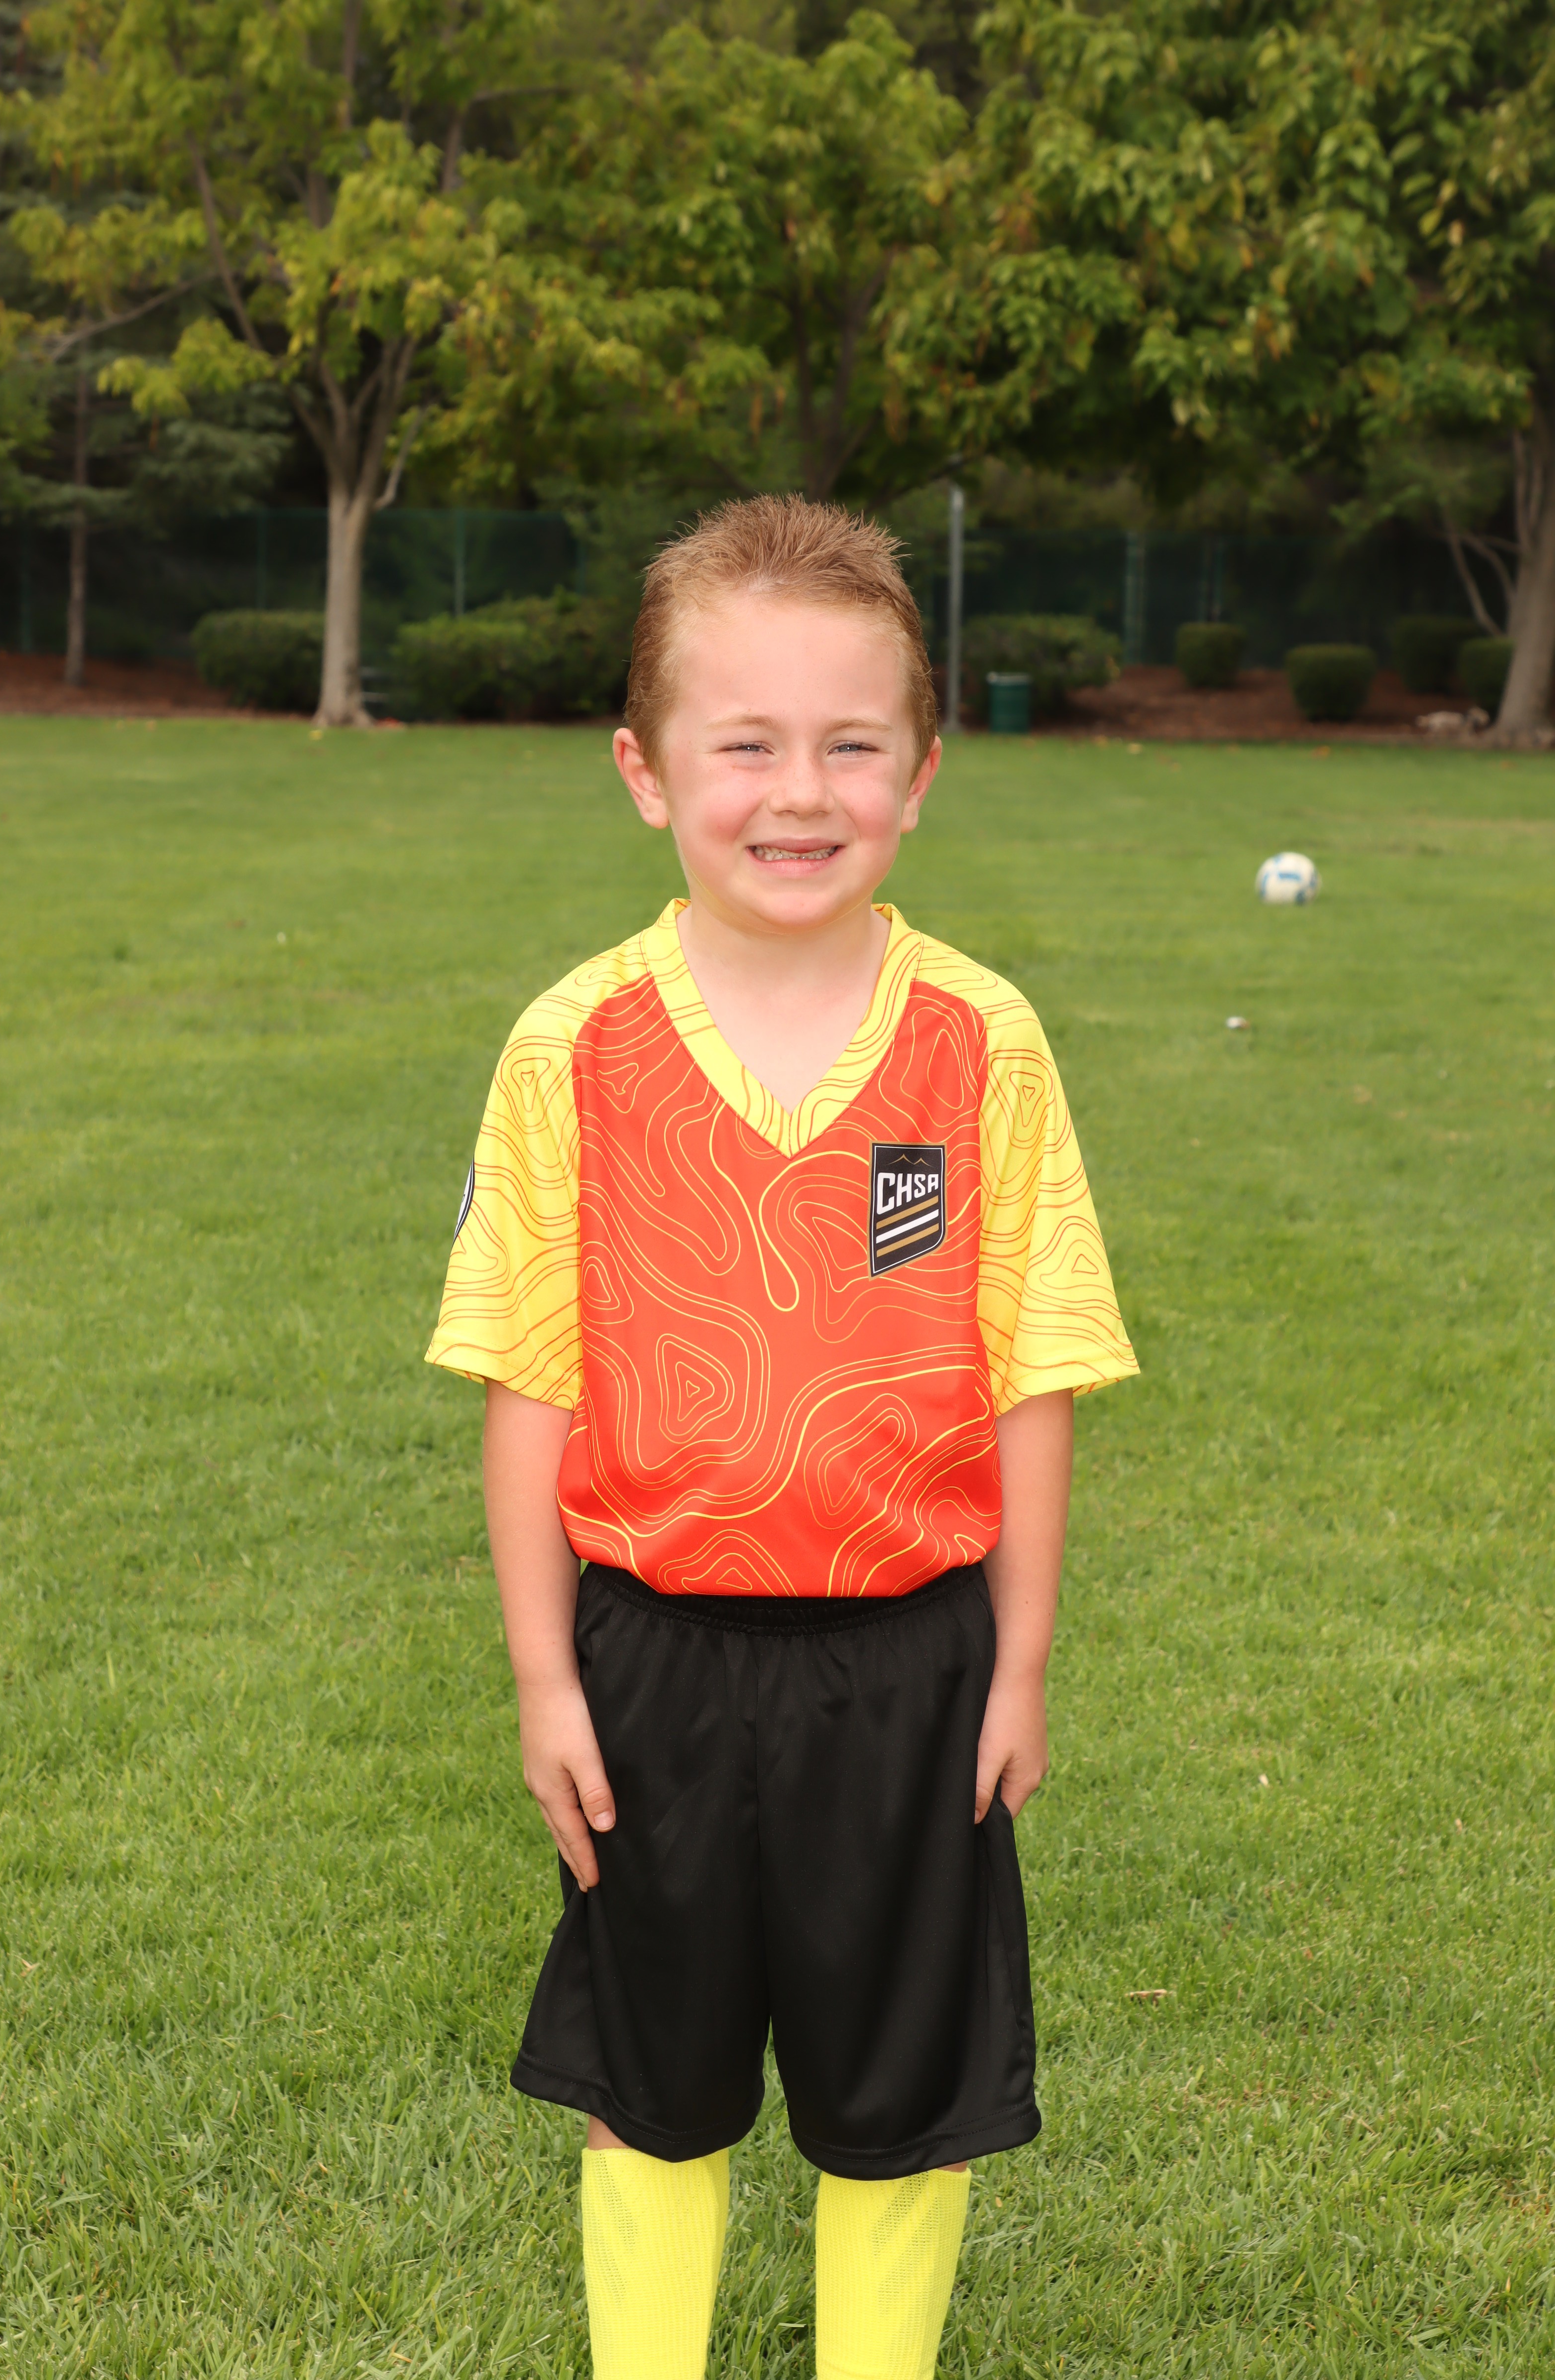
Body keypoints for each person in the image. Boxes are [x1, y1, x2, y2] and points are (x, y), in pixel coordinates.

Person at [426, 495, 1138, 2380]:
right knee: (650, 2081)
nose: (800, 794)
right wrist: (544, 1678)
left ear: (923, 772)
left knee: (898, 2087)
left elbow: (1034, 1369)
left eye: (852, 746)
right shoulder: (574, 1044)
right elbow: (528, 1380)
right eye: (744, 744)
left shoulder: (980, 1042)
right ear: (646, 773)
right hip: (648, 1658)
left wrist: (1021, 1661)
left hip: (912, 1661)